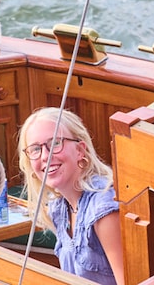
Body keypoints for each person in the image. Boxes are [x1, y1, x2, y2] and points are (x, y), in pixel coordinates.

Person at [18, 107, 125, 285]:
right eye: (35, 149)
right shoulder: (58, 207)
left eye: (55, 144)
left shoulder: (104, 210)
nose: (46, 155)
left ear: (80, 150)